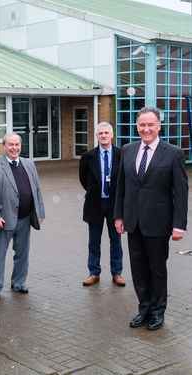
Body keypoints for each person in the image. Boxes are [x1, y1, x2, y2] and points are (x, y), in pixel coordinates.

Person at [114, 106, 188, 331]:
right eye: (142, 125)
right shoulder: (127, 149)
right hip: (133, 221)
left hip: (158, 222)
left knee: (156, 268)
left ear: (159, 126)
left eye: (150, 125)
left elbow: (181, 192)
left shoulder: (173, 153)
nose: (146, 129)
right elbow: (121, 186)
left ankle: (158, 311)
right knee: (137, 268)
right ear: (137, 127)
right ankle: (143, 308)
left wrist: (179, 225)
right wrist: (119, 216)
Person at [0, 133, 45, 300]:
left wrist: (40, 211)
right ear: (4, 146)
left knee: (22, 254)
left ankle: (18, 283)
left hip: (25, 218)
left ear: (21, 146)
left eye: (17, 145)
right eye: (10, 145)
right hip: (3, 220)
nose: (14, 148)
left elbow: (37, 189)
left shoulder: (29, 163)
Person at [79, 122, 125, 287]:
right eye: (101, 133)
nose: (104, 136)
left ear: (112, 135)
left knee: (116, 240)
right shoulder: (88, 157)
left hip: (115, 205)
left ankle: (117, 272)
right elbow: (84, 180)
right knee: (94, 241)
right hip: (95, 204)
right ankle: (93, 272)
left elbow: (124, 180)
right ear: (97, 136)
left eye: (106, 133)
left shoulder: (122, 154)